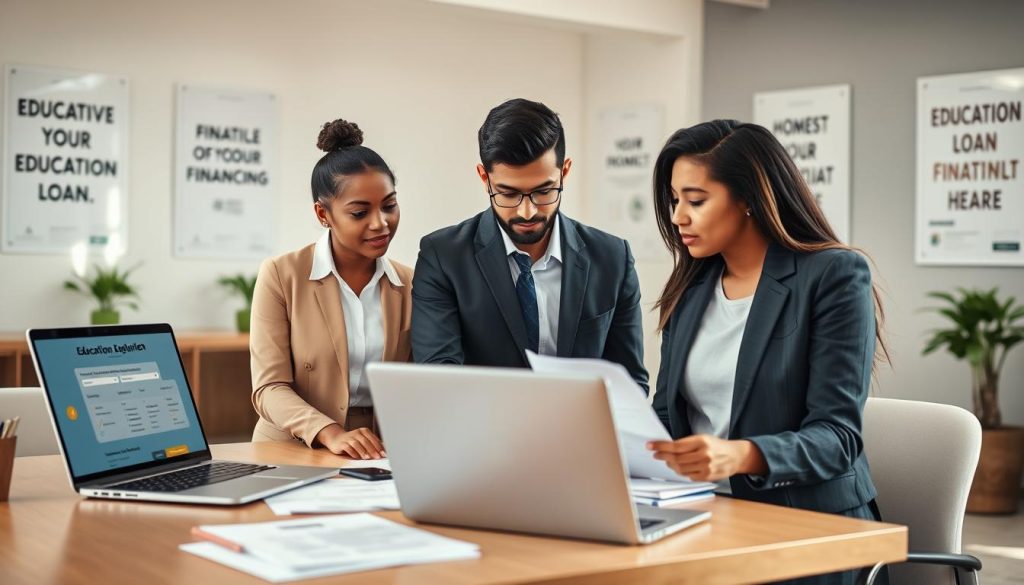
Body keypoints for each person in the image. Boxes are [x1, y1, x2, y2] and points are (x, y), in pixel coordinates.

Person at [646, 120, 889, 584]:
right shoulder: (691, 288)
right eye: (675, 200)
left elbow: (838, 438)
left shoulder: (833, 276)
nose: (679, 216)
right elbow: (667, 416)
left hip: (806, 534)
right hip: (702, 522)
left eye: (696, 201)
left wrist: (740, 455)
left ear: (750, 199)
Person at [410, 98, 648, 389]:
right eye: (508, 194)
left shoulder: (613, 258)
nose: (527, 212)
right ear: (485, 178)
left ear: (565, 172)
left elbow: (630, 382)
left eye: (544, 191)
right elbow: (438, 381)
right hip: (485, 433)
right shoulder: (443, 257)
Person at [249, 119, 411, 460]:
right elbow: (268, 388)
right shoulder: (281, 275)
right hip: (290, 447)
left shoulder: (411, 284)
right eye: (359, 212)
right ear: (324, 214)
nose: (380, 222)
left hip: (379, 452)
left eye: (389, 205)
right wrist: (329, 432)